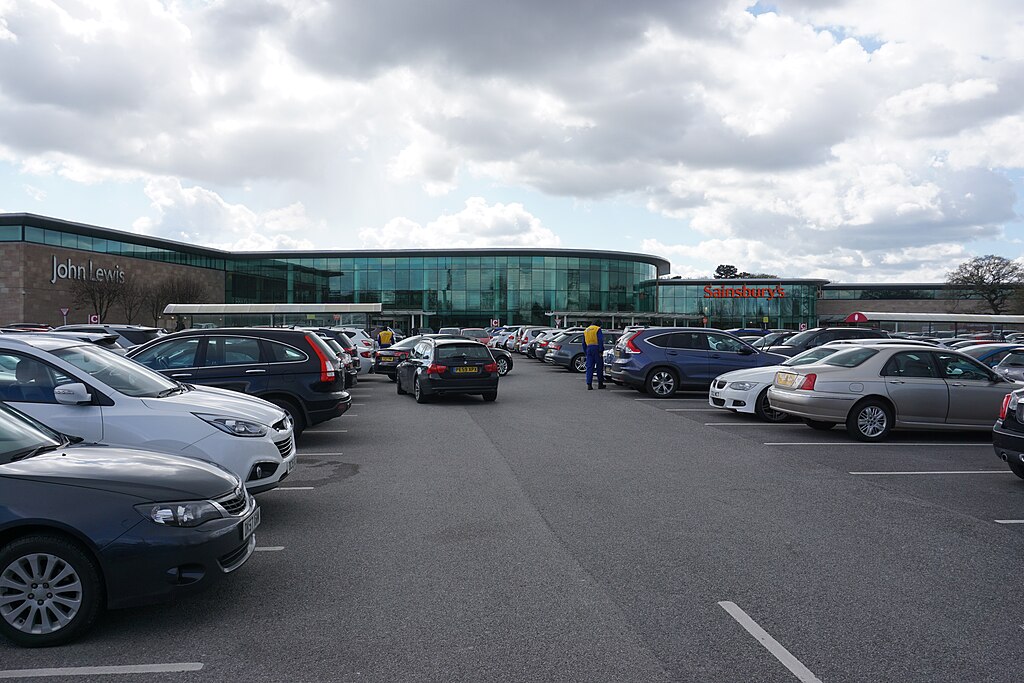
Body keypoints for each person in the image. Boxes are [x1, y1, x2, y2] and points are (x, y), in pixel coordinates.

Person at [582, 322, 605, 390]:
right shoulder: (597, 329)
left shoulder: (586, 330)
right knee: (599, 366)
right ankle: (600, 384)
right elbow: (600, 340)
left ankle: (589, 384)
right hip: (596, 348)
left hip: (589, 348)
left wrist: (585, 351)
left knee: (589, 367)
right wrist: (601, 350)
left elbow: (583, 343)